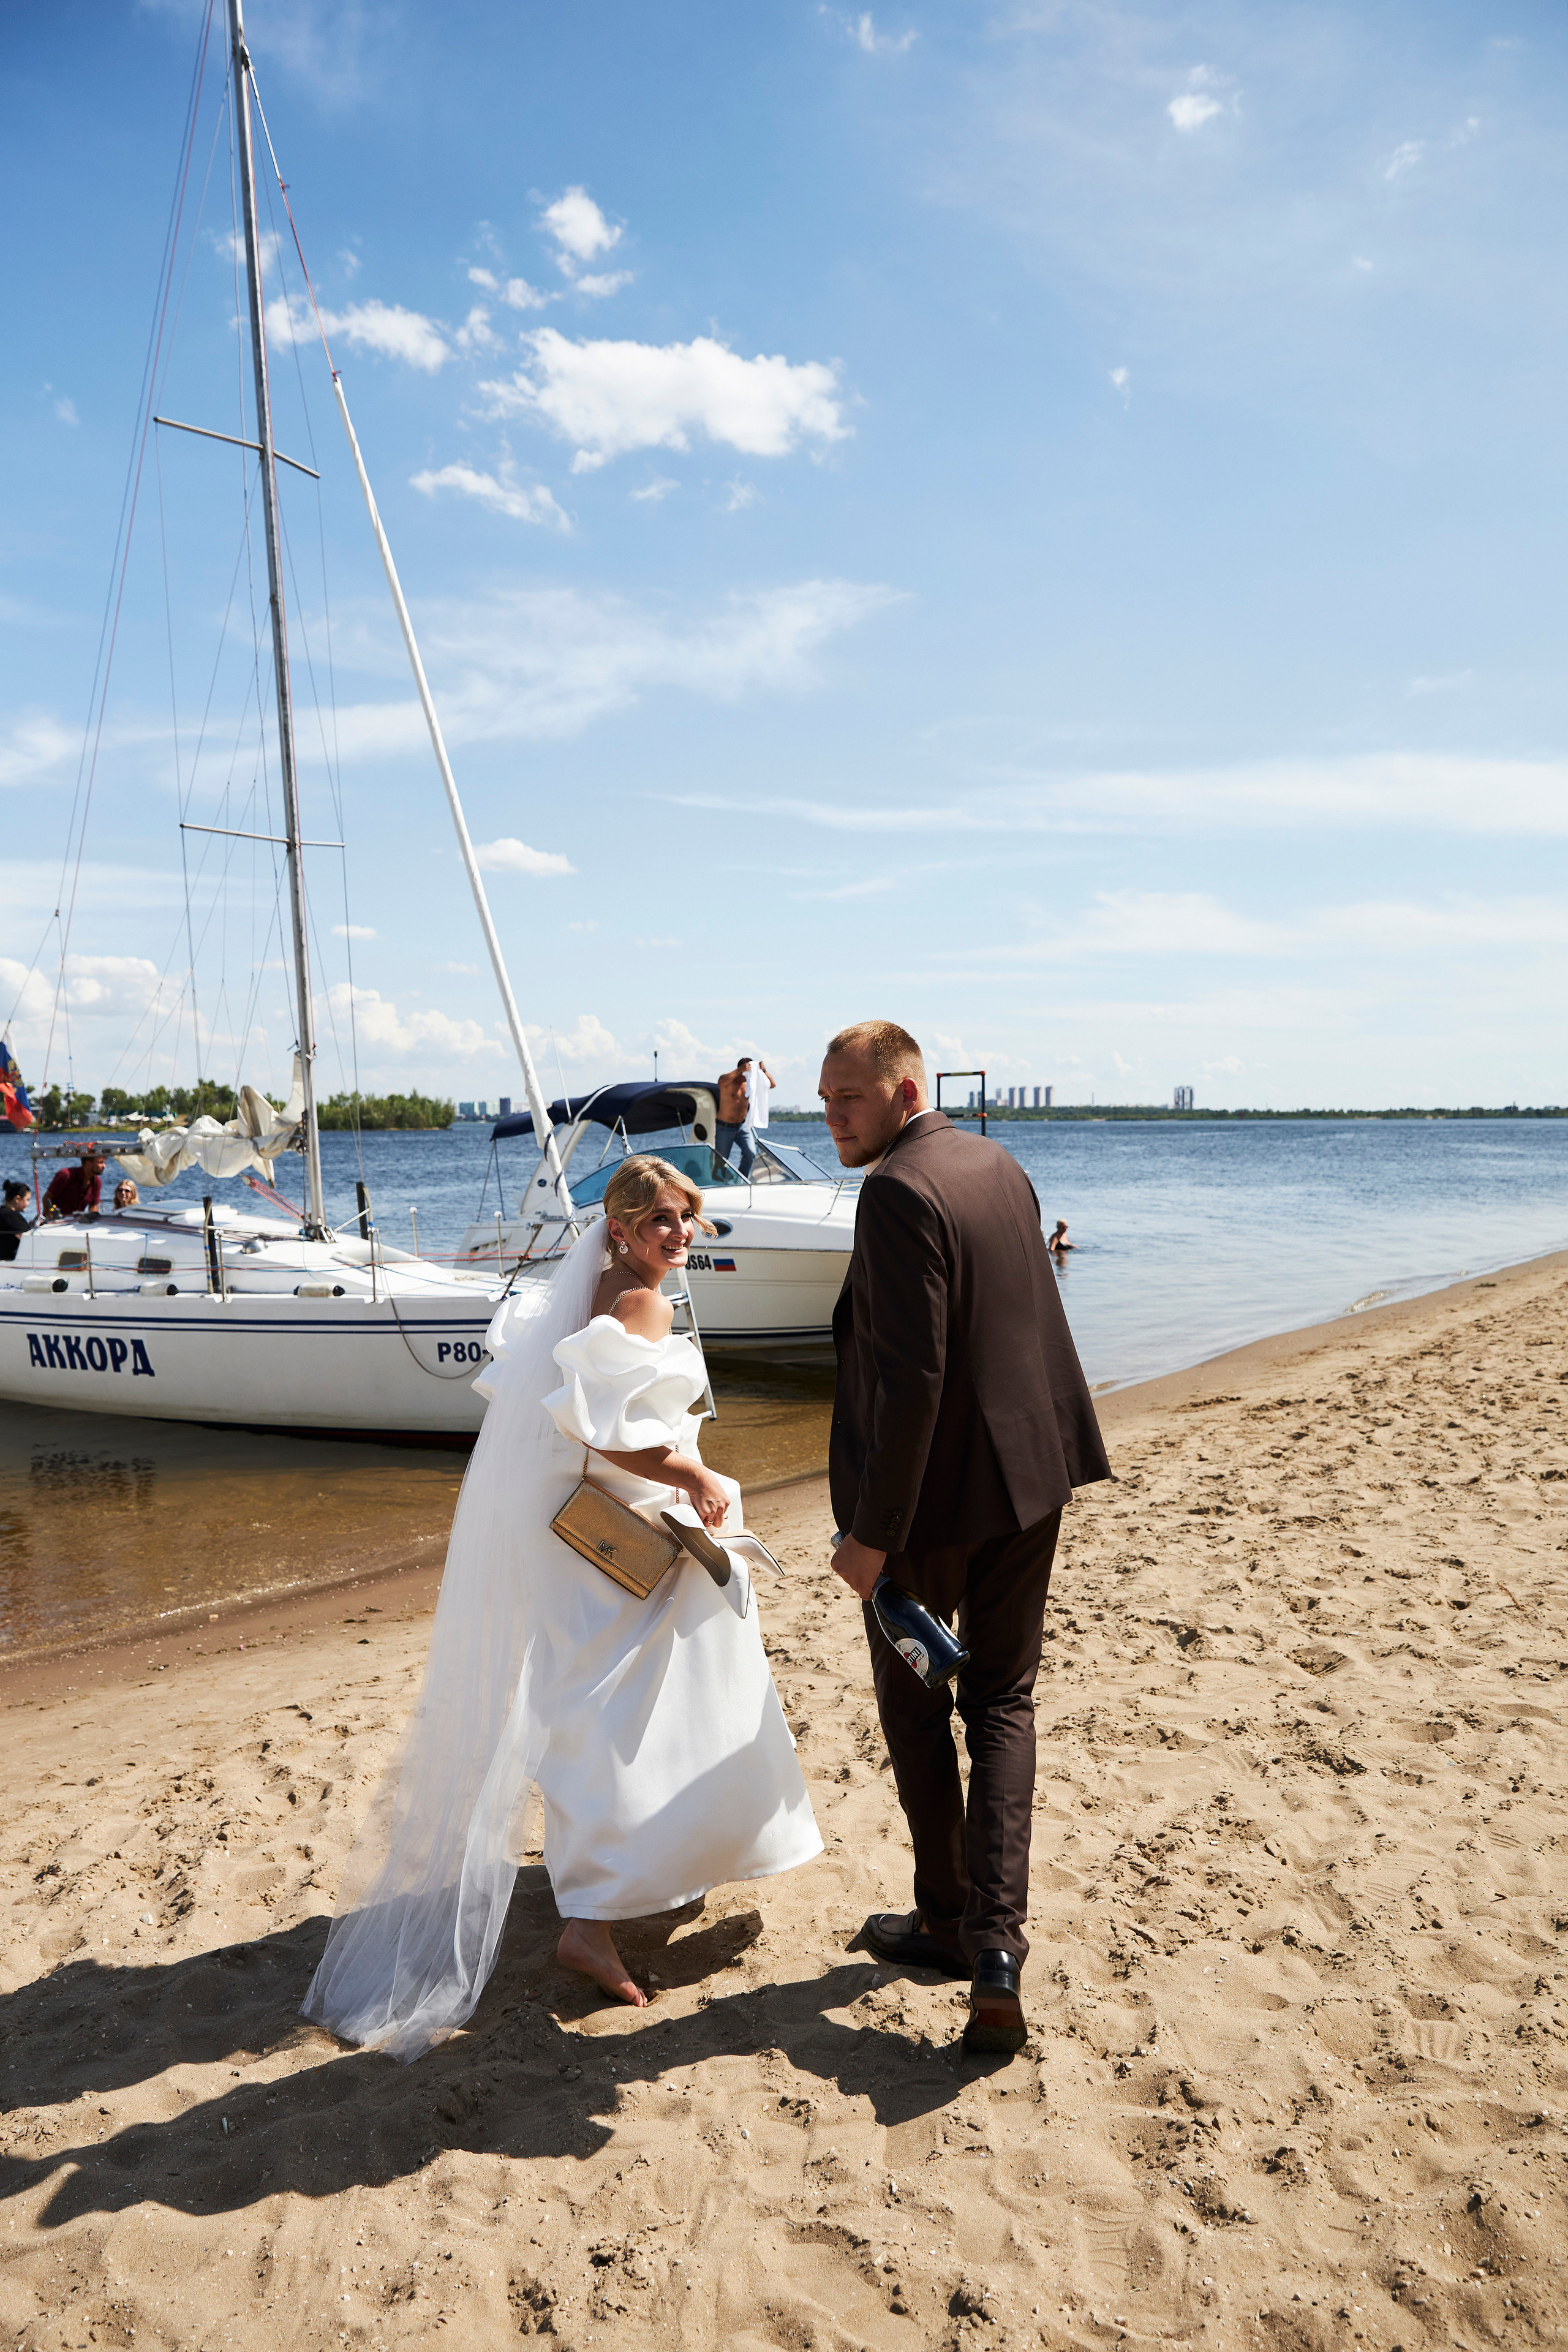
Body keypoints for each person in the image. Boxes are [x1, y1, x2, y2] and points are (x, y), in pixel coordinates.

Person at [303, 1154, 821, 2056]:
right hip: (614, 1524)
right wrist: (694, 1473)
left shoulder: (595, 1289)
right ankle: (595, 1919)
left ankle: (645, 1871)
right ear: (620, 1229)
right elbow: (603, 1432)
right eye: (661, 1221)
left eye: (686, 1217)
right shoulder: (642, 1302)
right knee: (630, 1704)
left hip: (566, 1522)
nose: (681, 1233)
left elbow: (561, 1411)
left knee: (599, 1698)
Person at [819, 1019, 1110, 2057]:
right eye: (824, 1099)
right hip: (1031, 1477)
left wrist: (872, 1535)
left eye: (849, 1098)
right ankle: (996, 1955)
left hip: (932, 1508)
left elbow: (914, 1381)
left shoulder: (898, 1190)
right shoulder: (997, 1164)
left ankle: (949, 1922)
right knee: (1003, 1702)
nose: (831, 1117)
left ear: (906, 1091)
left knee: (918, 1709)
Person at [715, 1054, 775, 1177]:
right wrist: (740, 1070)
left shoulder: (750, 1084)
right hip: (724, 1127)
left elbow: (772, 1084)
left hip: (743, 1127)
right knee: (721, 1160)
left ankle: (741, 1178)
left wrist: (763, 1070)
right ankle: (719, 1180)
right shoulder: (728, 1082)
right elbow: (720, 1082)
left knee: (751, 1153)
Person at [42, 1142, 106, 1219]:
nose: (104, 1166)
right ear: (88, 1164)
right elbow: (46, 1198)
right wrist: (50, 1217)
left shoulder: (97, 1182)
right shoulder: (66, 1175)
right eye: (101, 1162)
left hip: (77, 1222)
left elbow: (93, 1206)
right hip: (58, 1221)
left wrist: (93, 1219)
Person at [0, 1178, 33, 1262]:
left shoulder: (3, 1213)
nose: (28, 1204)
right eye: (27, 1200)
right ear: (18, 1199)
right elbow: (29, 1240)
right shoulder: (11, 1217)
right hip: (10, 1263)